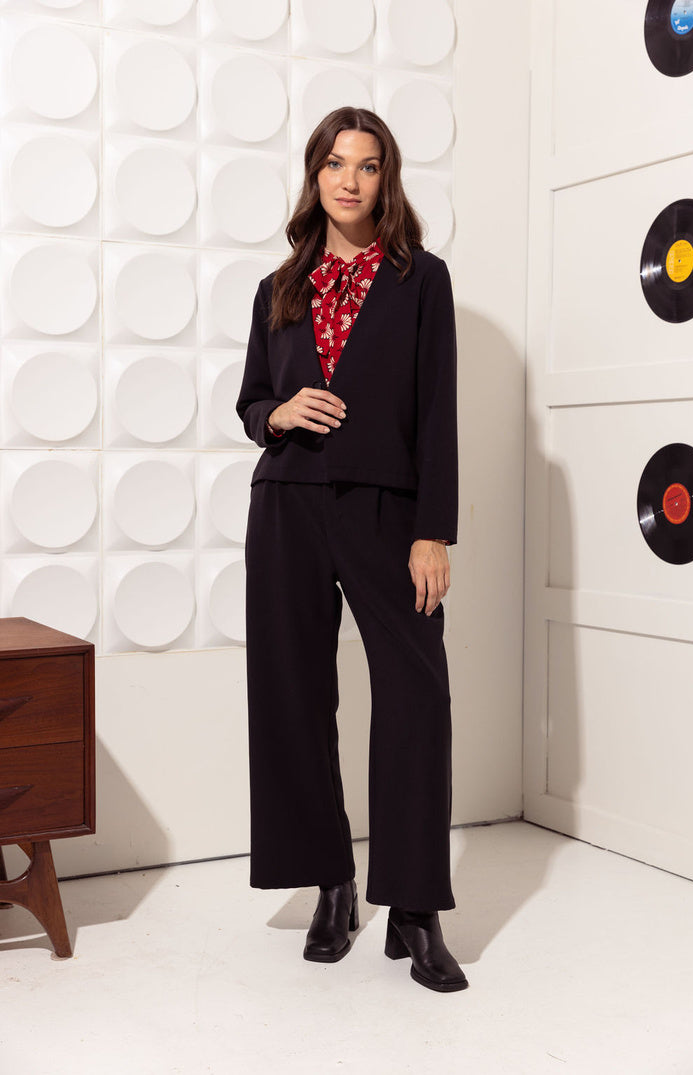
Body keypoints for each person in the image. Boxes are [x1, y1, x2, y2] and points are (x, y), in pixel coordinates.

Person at [236, 106, 466, 993]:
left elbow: (438, 410)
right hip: (288, 502)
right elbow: (253, 399)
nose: (349, 180)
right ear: (314, 174)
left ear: (386, 180)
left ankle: (412, 907)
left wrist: (431, 530)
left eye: (367, 166)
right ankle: (332, 881)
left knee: (415, 695)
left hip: (386, 509)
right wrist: (279, 413)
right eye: (335, 163)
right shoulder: (278, 286)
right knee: (292, 696)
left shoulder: (422, 281)